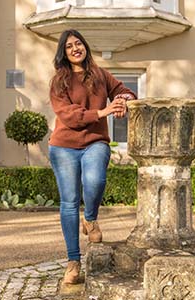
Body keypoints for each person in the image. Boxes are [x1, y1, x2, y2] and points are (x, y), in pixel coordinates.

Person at [48, 29, 136, 284]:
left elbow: (126, 91)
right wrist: (103, 112)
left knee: (95, 181)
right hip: (64, 146)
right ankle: (73, 262)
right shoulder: (58, 82)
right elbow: (69, 116)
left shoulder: (100, 74)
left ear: (85, 46)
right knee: (69, 202)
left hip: (95, 142)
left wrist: (120, 100)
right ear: (63, 54)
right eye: (69, 46)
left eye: (78, 43)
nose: (76, 48)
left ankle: (91, 219)